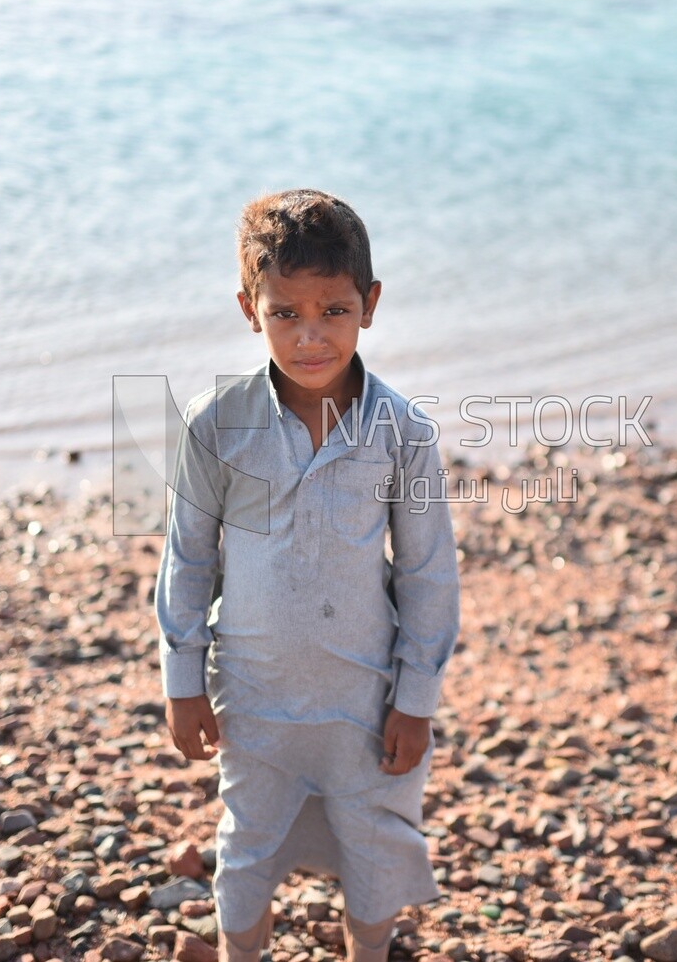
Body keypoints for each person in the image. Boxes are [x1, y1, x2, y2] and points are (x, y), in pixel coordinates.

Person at [154, 189, 462, 962]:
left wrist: (415, 699)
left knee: (374, 847)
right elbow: (188, 558)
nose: (312, 335)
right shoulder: (214, 425)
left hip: (364, 698)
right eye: (286, 312)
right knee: (248, 847)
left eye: (334, 309)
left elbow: (427, 574)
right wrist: (181, 679)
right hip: (252, 695)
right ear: (249, 309)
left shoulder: (403, 433)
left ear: (371, 304)